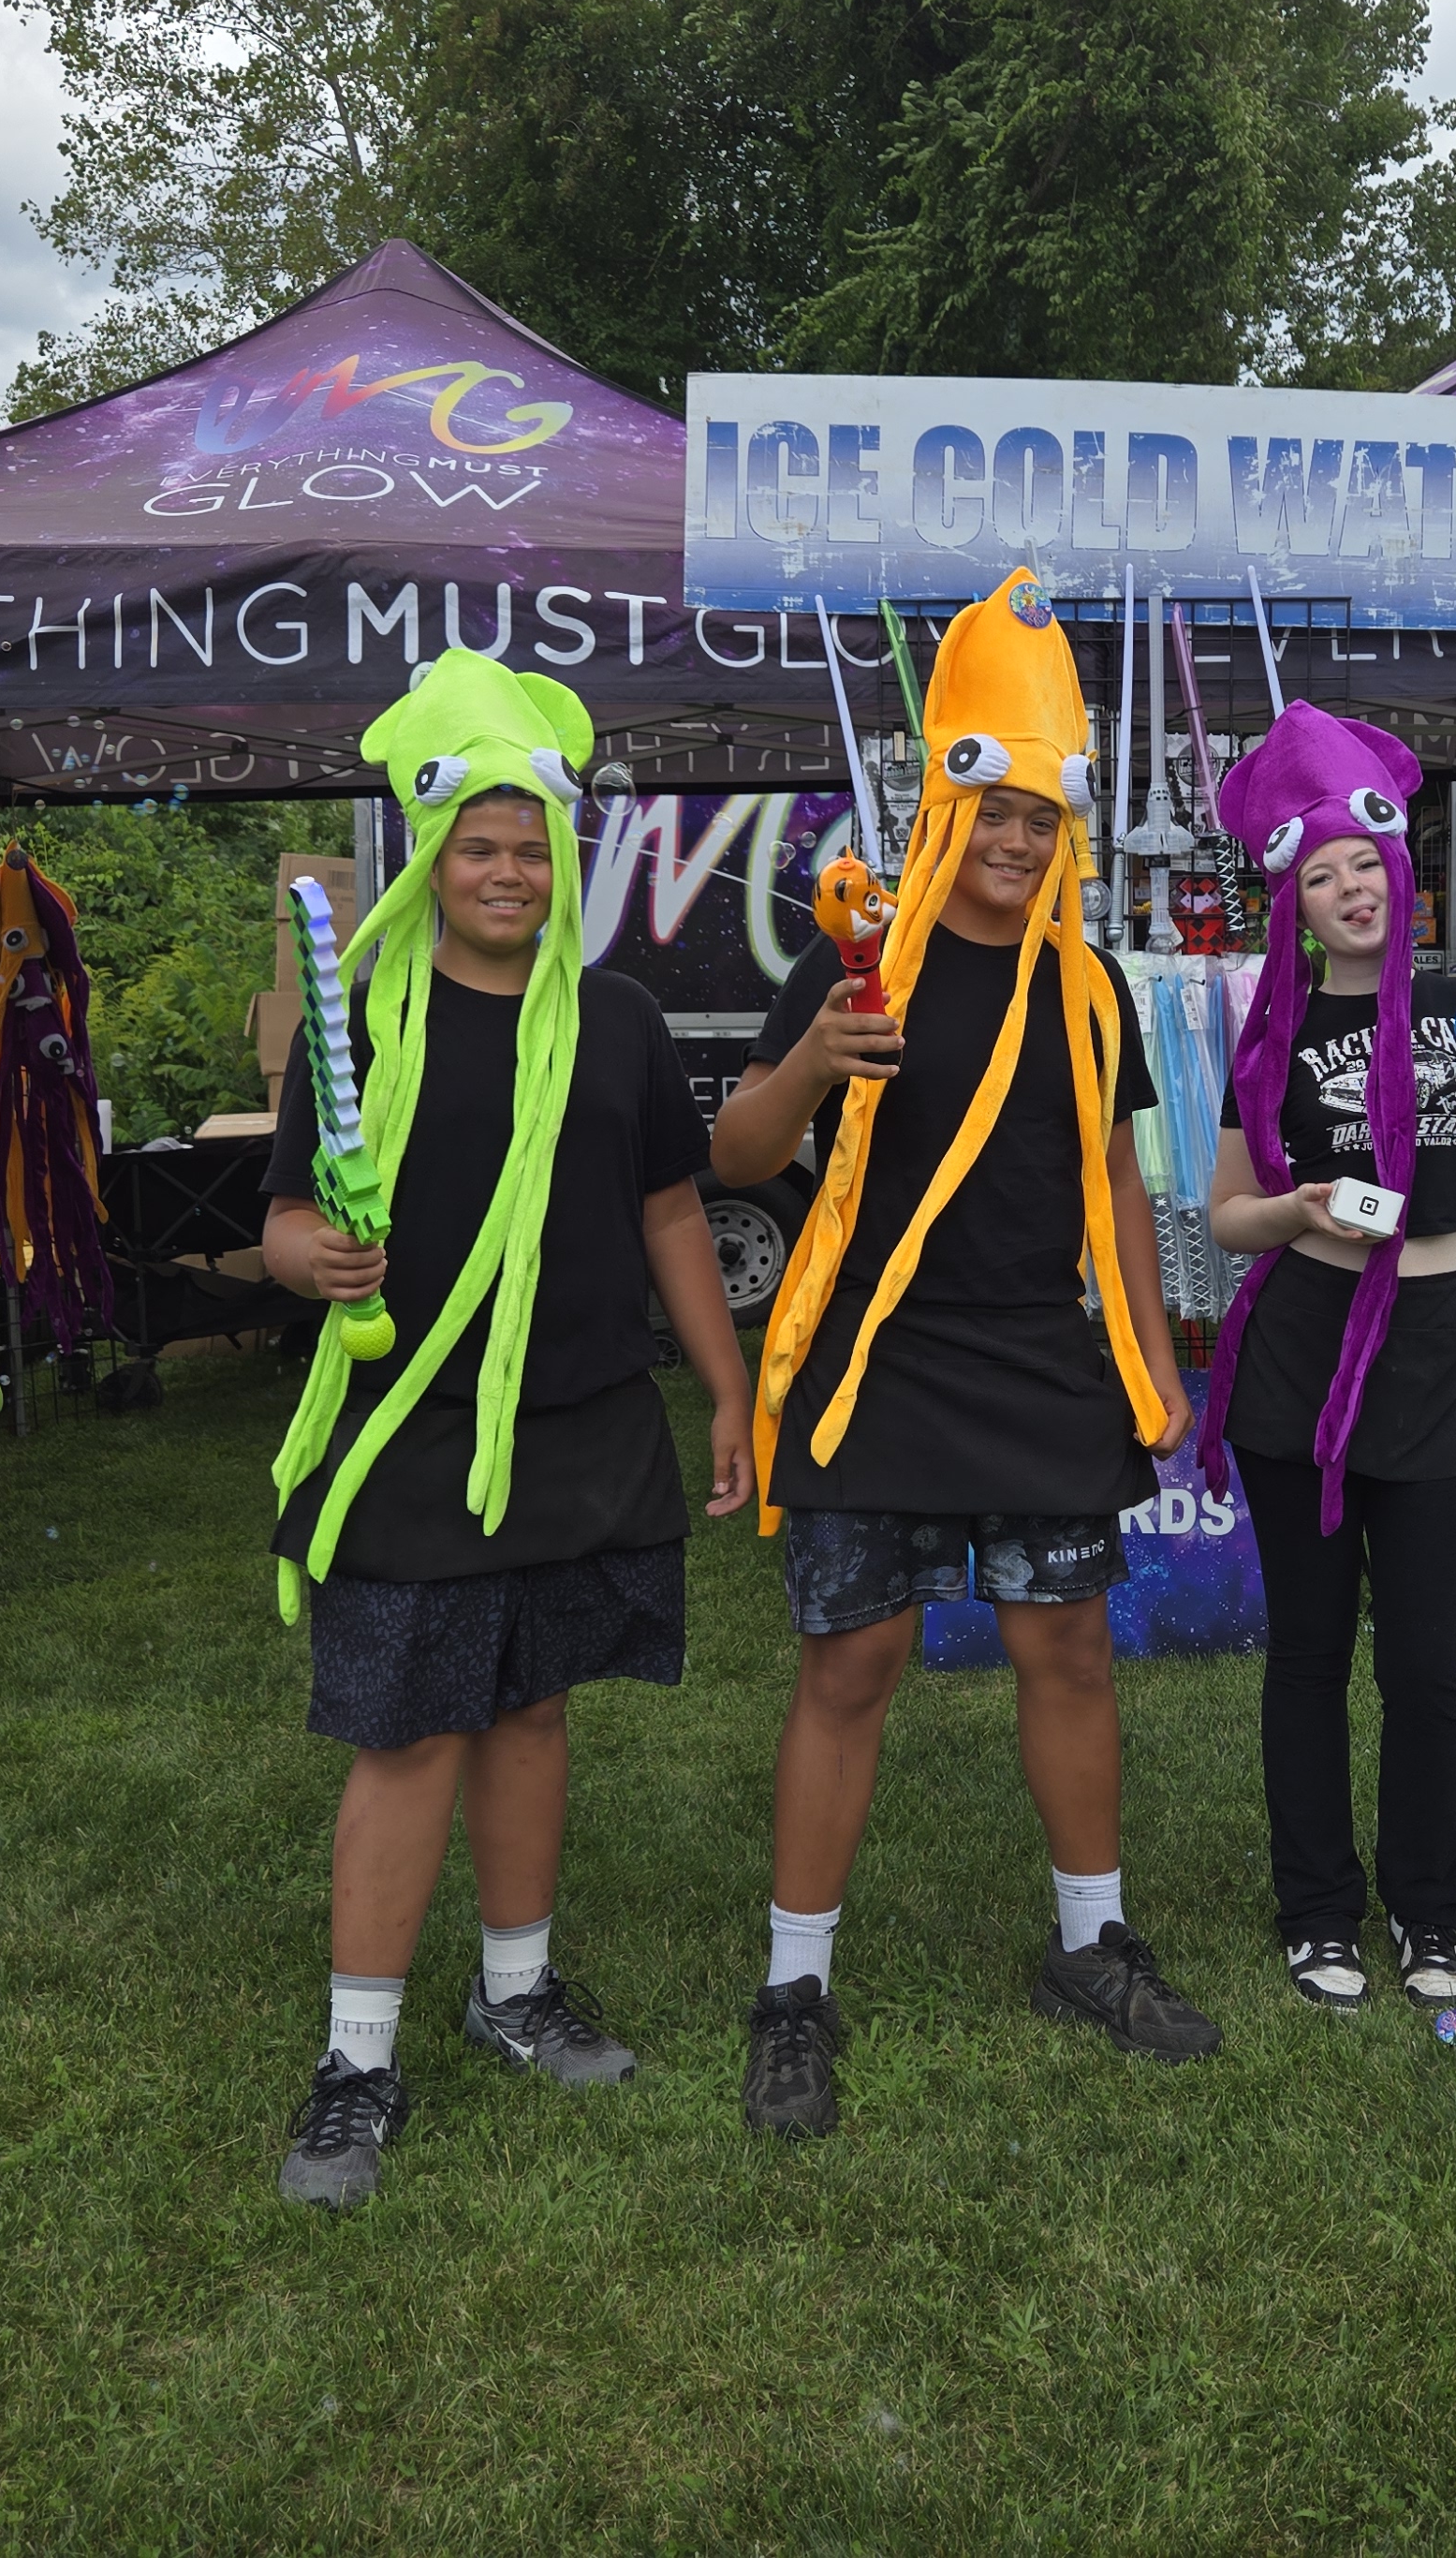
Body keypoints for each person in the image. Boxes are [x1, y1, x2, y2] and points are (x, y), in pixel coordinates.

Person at [711, 568, 1215, 2137]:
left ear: (1067, 832)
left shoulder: (1092, 986)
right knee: (849, 1665)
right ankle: (795, 1988)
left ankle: (1092, 1945)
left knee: (1065, 1648)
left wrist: (1151, 1346)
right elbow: (735, 1156)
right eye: (991, 813)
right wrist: (812, 1059)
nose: (1014, 845)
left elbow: (1117, 1181)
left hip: (1034, 1360)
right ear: (946, 804)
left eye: (1040, 823)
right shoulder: (859, 965)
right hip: (875, 1366)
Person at [261, 650, 755, 2211]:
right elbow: (280, 1222)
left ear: (563, 864)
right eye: (480, 846)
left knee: (536, 1708)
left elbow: (673, 1210)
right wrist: (315, 1261)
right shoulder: (362, 1018)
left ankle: (517, 1991)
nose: (507, 871)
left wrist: (731, 1386)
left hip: (581, 1427)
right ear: (431, 857)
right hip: (410, 1433)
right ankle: (357, 2060)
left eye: (531, 847)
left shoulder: (616, 1022)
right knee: (409, 1731)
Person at [1196, 704, 1456, 2016]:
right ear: (1297, 900)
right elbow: (1227, 1213)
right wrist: (1295, 1213)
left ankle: (1429, 1913)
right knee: (1306, 1653)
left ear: (1401, 872)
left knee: (1425, 1662)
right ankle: (1315, 1913)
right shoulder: (1268, 1035)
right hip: (1301, 1352)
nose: (1350, 889)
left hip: (1436, 1348)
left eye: (1366, 864)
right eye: (1321, 876)